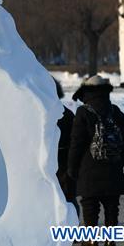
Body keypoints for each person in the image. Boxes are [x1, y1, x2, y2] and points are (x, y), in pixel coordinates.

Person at [67, 75, 124, 246]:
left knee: (90, 205)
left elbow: (77, 143)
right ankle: (110, 241)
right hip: (113, 167)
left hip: (89, 168)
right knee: (112, 206)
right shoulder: (115, 111)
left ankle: (91, 240)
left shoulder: (83, 112)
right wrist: (120, 162)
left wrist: (72, 168)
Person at [54, 78, 79, 218]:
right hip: (67, 162)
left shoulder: (42, 115)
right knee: (69, 198)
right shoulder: (68, 114)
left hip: (58, 161)